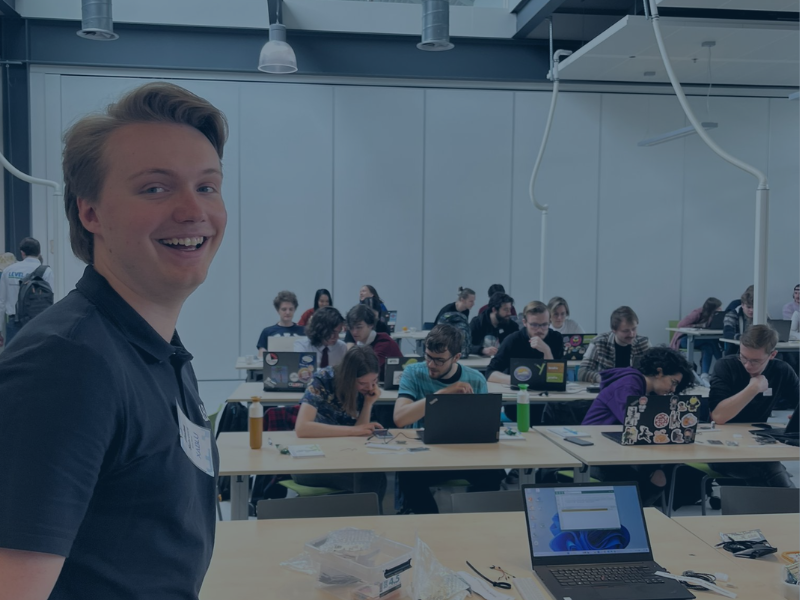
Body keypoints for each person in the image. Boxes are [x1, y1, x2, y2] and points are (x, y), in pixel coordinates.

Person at [0, 82, 227, 598]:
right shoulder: (66, 364)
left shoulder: (157, 352)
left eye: (207, 186)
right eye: (155, 188)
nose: (193, 210)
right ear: (91, 213)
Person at [393, 324, 504, 513]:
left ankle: (472, 519)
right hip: (425, 455)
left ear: (456, 357)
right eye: (428, 356)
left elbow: (485, 426)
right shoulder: (413, 373)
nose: (431, 364)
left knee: (494, 474)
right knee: (407, 475)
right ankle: (431, 520)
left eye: (439, 360)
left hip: (464, 454)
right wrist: (443, 394)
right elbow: (400, 418)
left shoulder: (475, 379)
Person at [582, 347, 695, 504]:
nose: (673, 389)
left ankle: (636, 511)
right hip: (594, 453)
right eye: (673, 382)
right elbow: (634, 423)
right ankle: (630, 512)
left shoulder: (646, 390)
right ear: (659, 372)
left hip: (618, 450)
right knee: (654, 477)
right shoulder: (628, 385)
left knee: (662, 475)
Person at [292, 346, 388, 504]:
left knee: (375, 476)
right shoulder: (323, 379)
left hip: (344, 458)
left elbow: (359, 433)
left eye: (374, 381)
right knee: (371, 479)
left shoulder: (364, 392)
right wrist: (353, 430)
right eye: (363, 383)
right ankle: (365, 518)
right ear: (349, 378)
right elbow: (302, 428)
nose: (370, 388)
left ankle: (364, 517)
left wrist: (368, 404)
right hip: (310, 462)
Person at [708, 325, 798, 487]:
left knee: (767, 471)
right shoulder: (726, 366)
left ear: (772, 355)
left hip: (759, 444)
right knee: (770, 470)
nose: (748, 365)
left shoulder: (781, 370)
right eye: (743, 357)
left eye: (755, 361)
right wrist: (753, 388)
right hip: (721, 448)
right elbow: (718, 417)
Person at [486, 301, 564, 385]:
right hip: (519, 389)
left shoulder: (556, 338)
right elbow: (489, 373)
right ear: (524, 323)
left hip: (549, 390)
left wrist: (547, 351)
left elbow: (556, 378)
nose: (539, 329)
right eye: (534, 325)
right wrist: (517, 379)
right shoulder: (513, 340)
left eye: (544, 324)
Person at [0, 237, 55, 345]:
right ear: (39, 252)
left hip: (14, 322)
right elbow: (49, 301)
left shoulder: (8, 271)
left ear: (22, 253)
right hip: (37, 322)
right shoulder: (46, 272)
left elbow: (1, 302)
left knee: (13, 354)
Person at [578, 306, 650, 383]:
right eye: (626, 331)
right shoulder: (598, 342)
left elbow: (653, 371)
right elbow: (582, 372)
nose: (632, 334)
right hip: (608, 388)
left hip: (635, 388)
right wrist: (603, 378)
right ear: (614, 330)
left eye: (634, 329)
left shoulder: (643, 343)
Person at [670, 297, 723, 384]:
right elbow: (680, 325)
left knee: (708, 347)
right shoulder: (697, 313)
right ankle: (722, 362)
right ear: (712, 308)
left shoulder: (713, 315)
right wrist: (697, 326)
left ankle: (704, 375)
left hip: (700, 340)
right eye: (718, 307)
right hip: (684, 340)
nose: (720, 309)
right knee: (712, 341)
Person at [345, 304, 403, 378]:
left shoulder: (384, 343)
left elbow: (366, 371)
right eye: (351, 328)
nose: (354, 332)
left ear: (371, 325)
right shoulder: (359, 343)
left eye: (359, 327)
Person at [256, 290, 305, 356]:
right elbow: (261, 358)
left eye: (291, 309)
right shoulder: (267, 332)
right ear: (278, 310)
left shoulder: (304, 331)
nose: (287, 312)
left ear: (294, 310)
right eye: (284, 309)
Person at [469, 292, 519, 357]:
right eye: (506, 310)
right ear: (494, 309)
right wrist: (481, 350)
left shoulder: (512, 326)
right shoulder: (477, 323)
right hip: (479, 361)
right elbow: (466, 346)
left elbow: (518, 347)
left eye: (510, 309)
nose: (509, 313)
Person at [723, 286, 753, 355]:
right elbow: (727, 333)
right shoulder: (731, 315)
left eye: (754, 307)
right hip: (736, 350)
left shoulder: (763, 315)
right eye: (748, 307)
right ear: (742, 305)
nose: (751, 310)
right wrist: (743, 338)